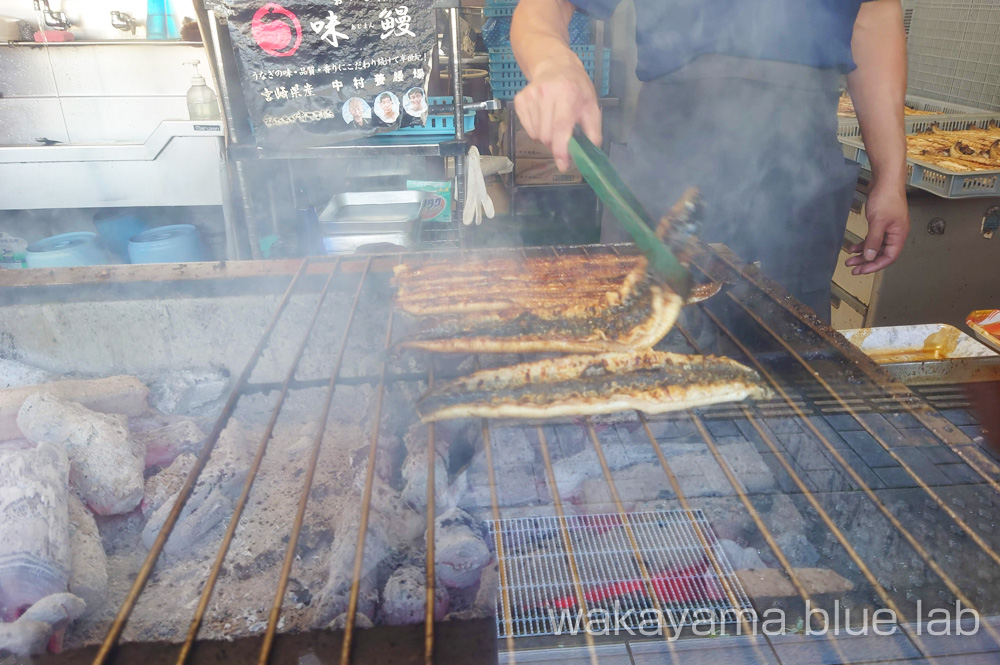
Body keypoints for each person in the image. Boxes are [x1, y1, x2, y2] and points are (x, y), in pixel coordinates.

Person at [511, 0, 910, 320]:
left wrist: (891, 176)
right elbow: (545, 6)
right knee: (637, 330)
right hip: (670, 152)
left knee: (789, 358)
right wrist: (552, 63)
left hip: (799, 167)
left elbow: (873, 16)